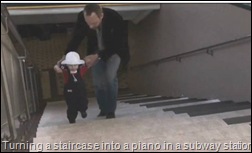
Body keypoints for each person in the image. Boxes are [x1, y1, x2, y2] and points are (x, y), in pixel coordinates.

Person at [64, 4, 130, 119]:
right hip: (94, 51)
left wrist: (98, 55)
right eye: (88, 23)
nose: (90, 26)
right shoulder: (81, 17)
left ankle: (110, 110)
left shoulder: (115, 18)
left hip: (114, 52)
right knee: (98, 82)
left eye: (94, 23)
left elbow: (119, 44)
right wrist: (66, 55)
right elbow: (77, 37)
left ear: (102, 16)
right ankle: (103, 109)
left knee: (110, 77)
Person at [54, 51, 89, 124]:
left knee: (83, 100)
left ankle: (83, 110)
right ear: (67, 65)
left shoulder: (81, 69)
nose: (73, 67)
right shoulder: (65, 71)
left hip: (80, 90)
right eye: (70, 65)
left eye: (75, 65)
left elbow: (89, 63)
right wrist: (59, 64)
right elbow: (56, 67)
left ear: (78, 64)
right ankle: (71, 118)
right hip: (69, 90)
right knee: (71, 105)